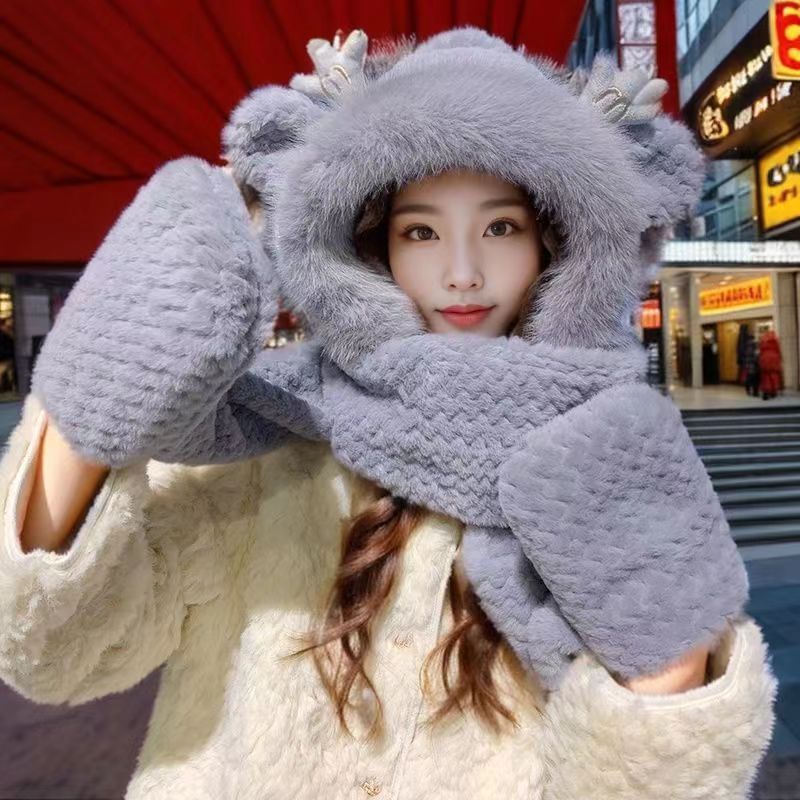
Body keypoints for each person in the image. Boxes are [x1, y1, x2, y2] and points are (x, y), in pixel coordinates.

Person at [0, 27, 776, 800]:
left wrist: (670, 673)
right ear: (372, 248)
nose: (463, 273)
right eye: (421, 231)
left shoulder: (611, 461)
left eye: (501, 227)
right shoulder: (267, 434)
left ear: (557, 246)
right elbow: (56, 652)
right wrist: (93, 399)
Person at [758, 328, 783, 400]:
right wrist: (780, 359)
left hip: (764, 359)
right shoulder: (775, 340)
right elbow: (778, 350)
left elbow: (761, 350)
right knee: (774, 376)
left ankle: (766, 391)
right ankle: (773, 391)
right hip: (774, 359)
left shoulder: (763, 341)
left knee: (765, 376)